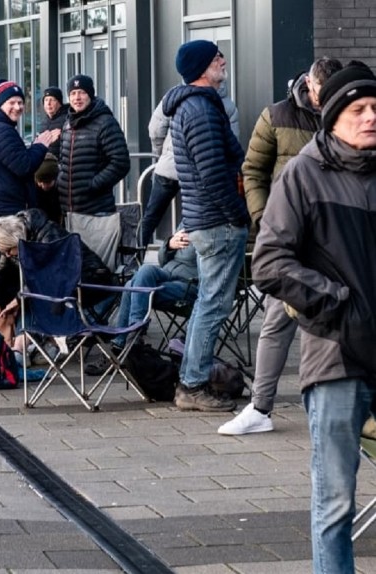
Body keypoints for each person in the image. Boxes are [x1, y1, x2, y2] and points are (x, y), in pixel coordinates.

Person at [252, 62, 376, 574]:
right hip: (335, 359)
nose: (371, 118)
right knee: (335, 502)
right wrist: (341, 305)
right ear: (332, 116)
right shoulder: (303, 174)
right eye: (359, 109)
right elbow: (269, 263)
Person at [218, 56, 344, 436]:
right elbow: (252, 171)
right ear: (308, 83)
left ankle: (335, 408)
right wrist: (264, 218)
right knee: (276, 321)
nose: (325, 102)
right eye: (323, 94)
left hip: (335, 237)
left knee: (333, 325)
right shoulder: (275, 116)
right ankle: (260, 408)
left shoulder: (346, 116)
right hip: (290, 236)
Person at [162, 39, 247, 412]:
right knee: (213, 305)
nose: (223, 61)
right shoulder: (200, 110)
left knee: (206, 303)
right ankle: (193, 385)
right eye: (216, 58)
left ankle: (191, 380)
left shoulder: (196, 107)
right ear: (201, 68)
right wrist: (238, 215)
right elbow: (212, 173)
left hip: (207, 219)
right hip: (216, 222)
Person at [0, 209, 113, 348]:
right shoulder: (16, 242)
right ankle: (26, 344)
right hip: (60, 287)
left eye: (8, 250)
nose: (7, 255)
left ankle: (30, 343)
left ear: (16, 240)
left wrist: (17, 300)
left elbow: (48, 276)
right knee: (26, 296)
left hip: (88, 279)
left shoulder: (48, 235)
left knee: (31, 297)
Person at [145, 82, 240, 246]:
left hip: (169, 168)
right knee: (198, 220)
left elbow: (155, 128)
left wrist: (164, 153)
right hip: (201, 174)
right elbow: (231, 144)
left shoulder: (175, 95)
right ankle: (188, 261)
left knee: (151, 217)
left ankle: (133, 258)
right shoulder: (227, 105)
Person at [0, 82, 58, 222]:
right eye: (12, 102)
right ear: (0, 105)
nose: (17, 107)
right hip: (6, 210)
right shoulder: (0, 130)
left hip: (5, 207)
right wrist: (40, 146)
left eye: (20, 102)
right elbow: (23, 166)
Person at [56, 74, 130, 216]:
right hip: (68, 211)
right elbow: (63, 160)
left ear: (90, 95)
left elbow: (121, 162)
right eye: (73, 93)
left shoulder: (105, 122)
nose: (77, 98)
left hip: (95, 211)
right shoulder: (67, 124)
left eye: (82, 92)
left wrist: (93, 184)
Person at [39, 87, 68, 158]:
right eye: (46, 100)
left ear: (59, 103)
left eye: (52, 100)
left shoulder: (67, 120)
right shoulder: (44, 121)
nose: (48, 103)